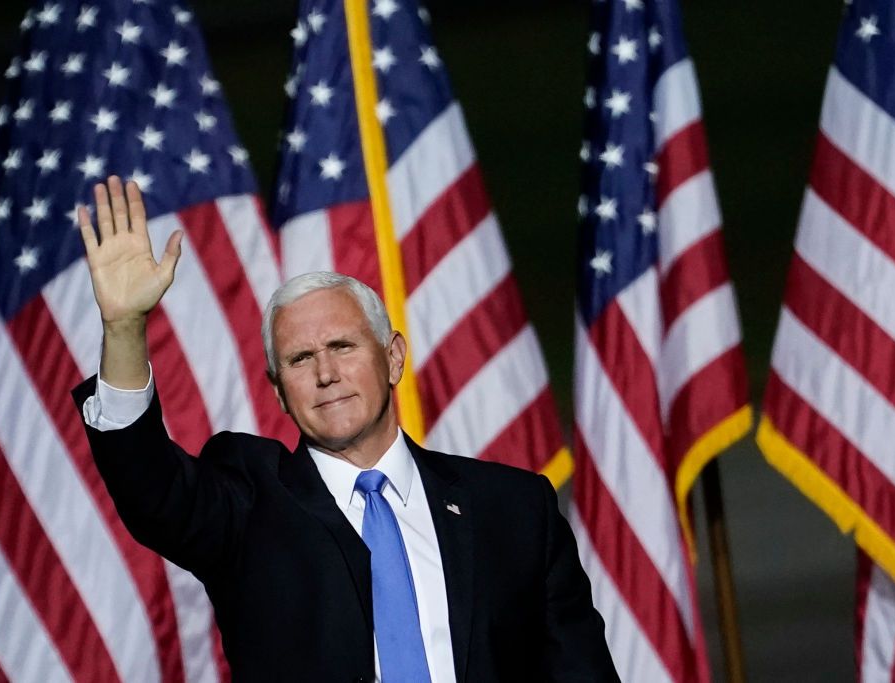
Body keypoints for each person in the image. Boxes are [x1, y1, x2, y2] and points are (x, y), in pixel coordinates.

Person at [73, 176, 620, 682]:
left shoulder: (515, 508)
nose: (326, 373)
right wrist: (124, 328)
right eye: (300, 359)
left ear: (393, 357)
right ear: (278, 390)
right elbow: (149, 486)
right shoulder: (249, 506)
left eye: (342, 347)